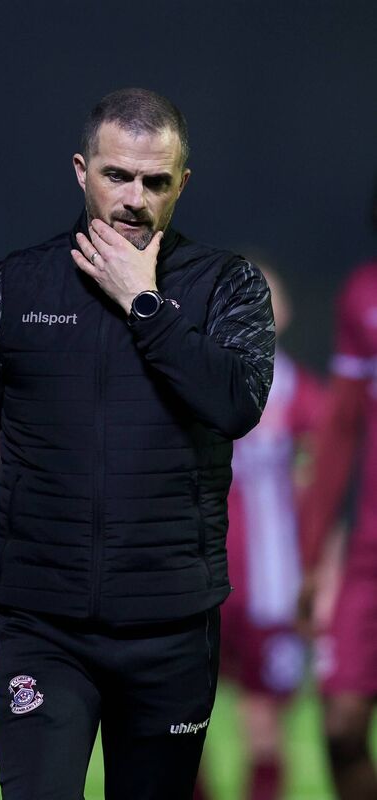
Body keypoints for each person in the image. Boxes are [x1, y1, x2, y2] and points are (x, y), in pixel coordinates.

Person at [0, 87, 275, 800]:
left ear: (182, 184)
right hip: (43, 630)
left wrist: (144, 303)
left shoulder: (227, 288)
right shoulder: (13, 288)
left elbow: (236, 404)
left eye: (155, 181)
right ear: (81, 171)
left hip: (172, 631)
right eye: (117, 175)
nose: (135, 199)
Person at [194, 266, 324, 800]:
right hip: (197, 580)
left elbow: (319, 494)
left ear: (284, 312)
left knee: (264, 729)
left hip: (273, 587)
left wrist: (324, 572)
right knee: (178, 725)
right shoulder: (192, 383)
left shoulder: (302, 395)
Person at [298, 186, 377, 799]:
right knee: (341, 727)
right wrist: (313, 555)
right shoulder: (363, 294)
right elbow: (338, 436)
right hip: (368, 559)